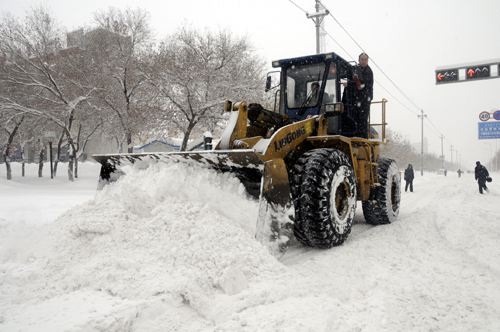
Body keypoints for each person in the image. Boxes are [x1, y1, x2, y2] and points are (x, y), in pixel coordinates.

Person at [342, 52, 374, 139]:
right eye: (362, 59)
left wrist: (349, 84)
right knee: (350, 116)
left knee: (362, 120)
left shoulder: (368, 72)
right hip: (356, 99)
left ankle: (362, 139)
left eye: (365, 60)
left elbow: (362, 85)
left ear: (367, 61)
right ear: (359, 60)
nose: (364, 61)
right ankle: (350, 134)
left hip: (364, 99)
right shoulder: (355, 69)